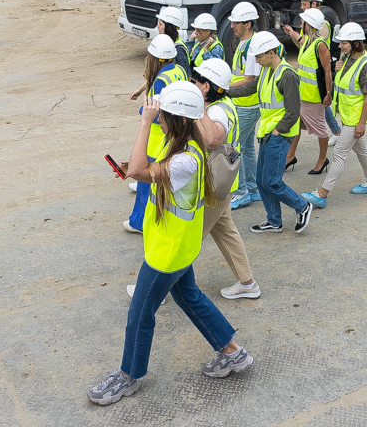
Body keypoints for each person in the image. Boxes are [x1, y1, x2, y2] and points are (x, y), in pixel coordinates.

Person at [88, 82, 253, 406]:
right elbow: (140, 168)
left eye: (162, 115)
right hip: (178, 244)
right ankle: (233, 353)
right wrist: (132, 166)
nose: (157, 119)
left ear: (176, 120)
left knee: (140, 313)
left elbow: (140, 171)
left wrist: (144, 121)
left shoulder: (186, 161)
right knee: (190, 298)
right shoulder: (182, 143)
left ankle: (128, 375)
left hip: (169, 252)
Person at [227, 31, 314, 234]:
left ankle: (302, 206)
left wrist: (277, 131)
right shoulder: (267, 71)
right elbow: (251, 88)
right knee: (262, 180)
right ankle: (274, 221)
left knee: (272, 182)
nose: (256, 61)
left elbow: (294, 112)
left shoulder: (287, 75)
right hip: (267, 133)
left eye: (259, 57)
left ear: (272, 52)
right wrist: (223, 92)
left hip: (279, 135)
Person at [192, 58, 261, 300]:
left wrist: (198, 109)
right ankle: (248, 283)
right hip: (221, 182)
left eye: (196, 80)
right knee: (226, 232)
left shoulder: (216, 110)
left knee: (186, 237)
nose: (192, 82)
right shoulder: (225, 103)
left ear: (207, 87)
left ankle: (157, 287)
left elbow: (213, 140)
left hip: (212, 184)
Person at [300, 22, 367, 208]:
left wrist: (361, 124)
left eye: (344, 42)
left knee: (338, 153)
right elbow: (345, 86)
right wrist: (338, 72)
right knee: (361, 149)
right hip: (347, 116)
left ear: (356, 43)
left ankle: (322, 194)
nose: (339, 45)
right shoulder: (348, 59)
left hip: (354, 119)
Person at [125, 35, 188, 233]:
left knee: (147, 182)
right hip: (171, 136)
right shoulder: (177, 70)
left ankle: (139, 222)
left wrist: (143, 112)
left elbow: (154, 111)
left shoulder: (161, 79)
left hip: (156, 139)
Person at [283, 0, 340, 163]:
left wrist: (328, 93)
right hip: (303, 92)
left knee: (320, 125)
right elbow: (303, 47)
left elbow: (325, 68)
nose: (301, 8)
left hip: (315, 92)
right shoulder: (307, 37)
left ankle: (325, 155)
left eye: (305, 4)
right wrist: (294, 35)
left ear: (314, 4)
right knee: (297, 124)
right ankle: (290, 156)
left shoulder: (321, 30)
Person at [227, 2, 263, 210]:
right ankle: (253, 188)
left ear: (248, 23)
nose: (232, 27)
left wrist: (225, 86)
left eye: (236, 23)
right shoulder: (246, 42)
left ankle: (241, 193)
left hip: (247, 105)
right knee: (248, 147)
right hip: (244, 104)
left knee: (234, 147)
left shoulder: (251, 47)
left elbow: (250, 79)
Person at [157, 6, 191, 78]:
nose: (157, 26)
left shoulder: (178, 51)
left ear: (168, 28)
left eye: (160, 24)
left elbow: (187, 77)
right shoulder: (169, 43)